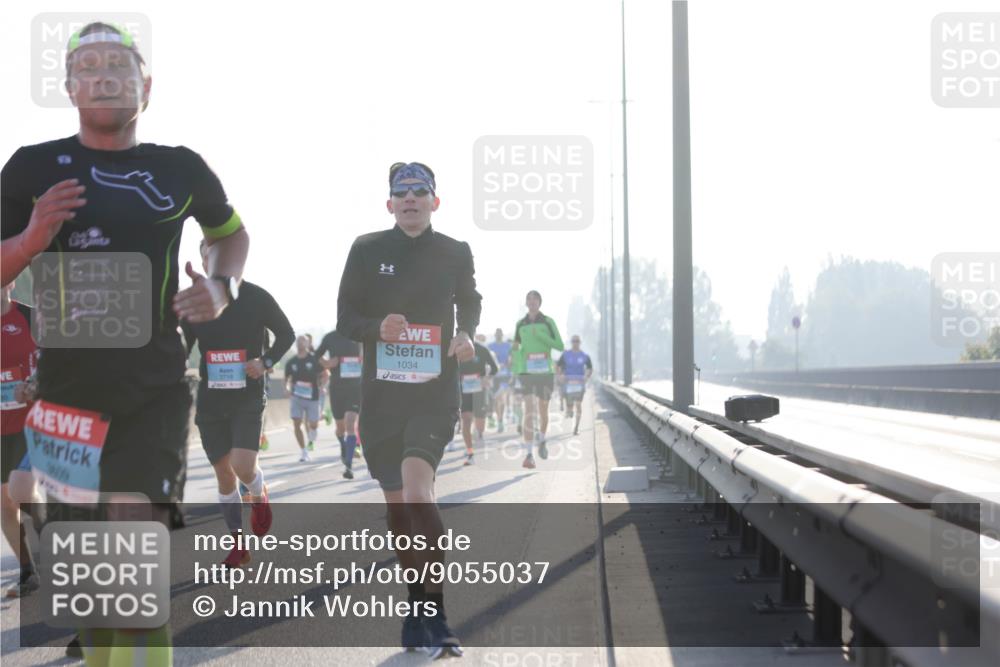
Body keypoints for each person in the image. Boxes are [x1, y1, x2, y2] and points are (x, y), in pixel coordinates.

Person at [0, 22, 249, 667]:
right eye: (89, 64)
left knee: (132, 541)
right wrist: (29, 241)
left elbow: (230, 233)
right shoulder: (30, 167)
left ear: (147, 85)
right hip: (64, 398)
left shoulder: (180, 167)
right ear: (68, 86)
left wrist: (221, 288)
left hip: (155, 389)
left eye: (120, 63)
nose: (105, 73)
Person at [337, 161, 480, 657]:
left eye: (421, 191)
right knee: (398, 508)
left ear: (435, 201)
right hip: (381, 400)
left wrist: (466, 335)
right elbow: (345, 319)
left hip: (434, 395)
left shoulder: (455, 252)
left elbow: (470, 302)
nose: (412, 198)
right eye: (403, 192)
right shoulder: (366, 249)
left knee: (420, 493)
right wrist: (378, 328)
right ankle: (414, 602)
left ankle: (437, 614)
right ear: (390, 203)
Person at [181, 241, 294, 568]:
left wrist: (266, 360)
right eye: (208, 255)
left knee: (243, 466)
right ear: (203, 261)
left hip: (247, 393)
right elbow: (180, 344)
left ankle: (258, 494)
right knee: (224, 476)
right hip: (211, 400)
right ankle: (238, 544)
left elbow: (285, 333)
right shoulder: (196, 304)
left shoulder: (257, 297)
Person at [0, 283, 43, 598]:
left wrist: (35, 383)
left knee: (23, 490)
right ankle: (28, 571)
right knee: (5, 501)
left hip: (31, 423)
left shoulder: (30, 317)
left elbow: (56, 360)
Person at [513, 290, 564, 468]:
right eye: (529, 299)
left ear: (540, 303)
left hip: (545, 373)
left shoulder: (548, 322)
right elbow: (516, 347)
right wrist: (516, 368)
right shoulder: (520, 324)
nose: (532, 302)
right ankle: (529, 455)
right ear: (526, 303)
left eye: (535, 299)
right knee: (529, 410)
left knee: (543, 409)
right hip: (527, 372)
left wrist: (540, 336)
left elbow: (560, 345)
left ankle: (541, 438)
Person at [316, 328, 362, 479]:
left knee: (350, 424)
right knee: (340, 428)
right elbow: (316, 355)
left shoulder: (359, 334)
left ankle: (348, 466)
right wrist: (327, 363)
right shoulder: (330, 337)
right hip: (337, 388)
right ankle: (343, 446)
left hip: (355, 387)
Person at [458, 339, 497, 465]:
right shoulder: (456, 347)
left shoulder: (482, 349)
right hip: (463, 388)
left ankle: (479, 433)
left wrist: (487, 378)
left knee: (479, 420)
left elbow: (494, 368)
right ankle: (470, 452)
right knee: (466, 419)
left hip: (479, 388)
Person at [285, 336, 323, 461]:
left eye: (303, 340)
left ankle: (311, 438)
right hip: (297, 396)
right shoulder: (291, 362)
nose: (300, 343)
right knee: (297, 423)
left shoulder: (314, 359)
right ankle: (303, 451)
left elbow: (325, 374)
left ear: (307, 343)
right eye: (298, 341)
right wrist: (287, 388)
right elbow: (286, 379)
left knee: (313, 424)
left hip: (313, 397)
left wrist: (321, 386)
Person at [556, 335, 593, 436]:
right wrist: (560, 375)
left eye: (577, 341)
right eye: (573, 341)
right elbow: (558, 366)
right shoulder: (565, 355)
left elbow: (590, 368)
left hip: (579, 383)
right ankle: (568, 409)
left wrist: (586, 376)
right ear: (571, 342)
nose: (575, 343)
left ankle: (576, 428)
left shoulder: (584, 356)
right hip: (568, 382)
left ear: (580, 342)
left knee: (579, 405)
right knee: (570, 407)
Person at [487, 328, 513, 433]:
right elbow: (487, 361)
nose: (498, 335)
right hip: (494, 376)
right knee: (496, 399)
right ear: (495, 334)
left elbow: (512, 359)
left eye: (500, 333)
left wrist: (507, 364)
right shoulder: (490, 346)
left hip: (505, 375)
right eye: (497, 333)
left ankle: (501, 420)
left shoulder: (508, 346)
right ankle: (499, 419)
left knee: (501, 398)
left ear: (502, 335)